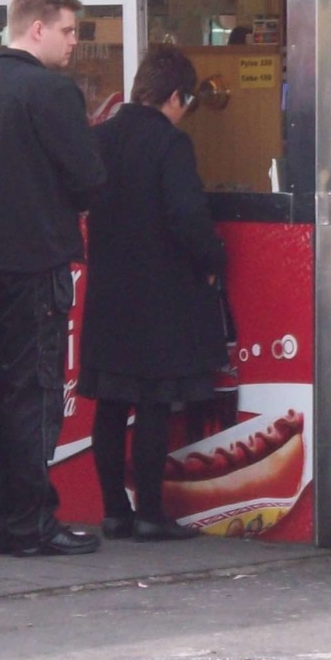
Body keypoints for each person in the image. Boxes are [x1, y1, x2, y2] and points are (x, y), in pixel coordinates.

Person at [0, 0, 108, 557]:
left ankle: (2, 518)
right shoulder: (51, 93)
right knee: (34, 391)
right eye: (69, 30)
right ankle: (32, 522)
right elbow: (89, 178)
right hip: (36, 261)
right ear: (37, 29)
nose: (74, 42)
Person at [81, 45, 227, 543]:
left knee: (110, 403)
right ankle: (150, 513)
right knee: (153, 405)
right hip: (159, 295)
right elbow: (188, 217)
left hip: (107, 293)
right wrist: (212, 261)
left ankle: (113, 511)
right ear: (174, 96)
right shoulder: (170, 145)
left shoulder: (100, 138)